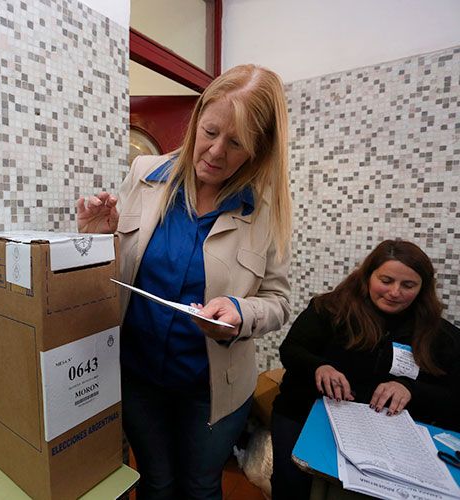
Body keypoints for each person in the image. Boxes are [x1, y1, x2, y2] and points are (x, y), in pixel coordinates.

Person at [76, 64, 292, 499]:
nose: (214, 151)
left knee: (199, 485)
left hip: (211, 388)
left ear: (258, 150)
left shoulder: (265, 212)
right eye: (209, 132)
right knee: (155, 481)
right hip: (138, 375)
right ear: (196, 122)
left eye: (236, 143)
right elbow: (107, 278)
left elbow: (278, 301)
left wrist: (240, 311)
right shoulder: (143, 174)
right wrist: (96, 241)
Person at [271, 239, 460, 500]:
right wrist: (318, 366)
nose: (395, 292)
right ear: (368, 276)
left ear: (422, 289)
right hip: (305, 414)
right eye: (386, 280)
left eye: (408, 285)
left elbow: (453, 396)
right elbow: (290, 350)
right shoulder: (329, 309)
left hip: (383, 433)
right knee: (292, 484)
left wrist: (410, 388)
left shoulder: (438, 334)